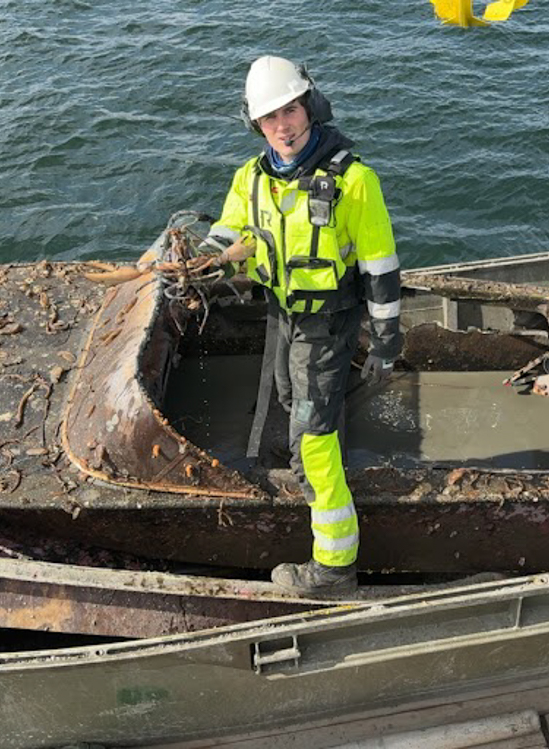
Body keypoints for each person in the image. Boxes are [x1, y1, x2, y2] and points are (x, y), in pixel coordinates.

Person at [205, 55, 402, 596]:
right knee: (295, 401)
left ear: (309, 106)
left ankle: (333, 570)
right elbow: (229, 232)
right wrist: (196, 260)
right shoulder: (252, 179)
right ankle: (322, 431)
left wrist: (386, 343)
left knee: (309, 444)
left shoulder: (354, 182)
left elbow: (380, 268)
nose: (282, 127)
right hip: (283, 315)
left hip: (328, 325)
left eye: (290, 110)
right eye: (269, 118)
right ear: (256, 124)